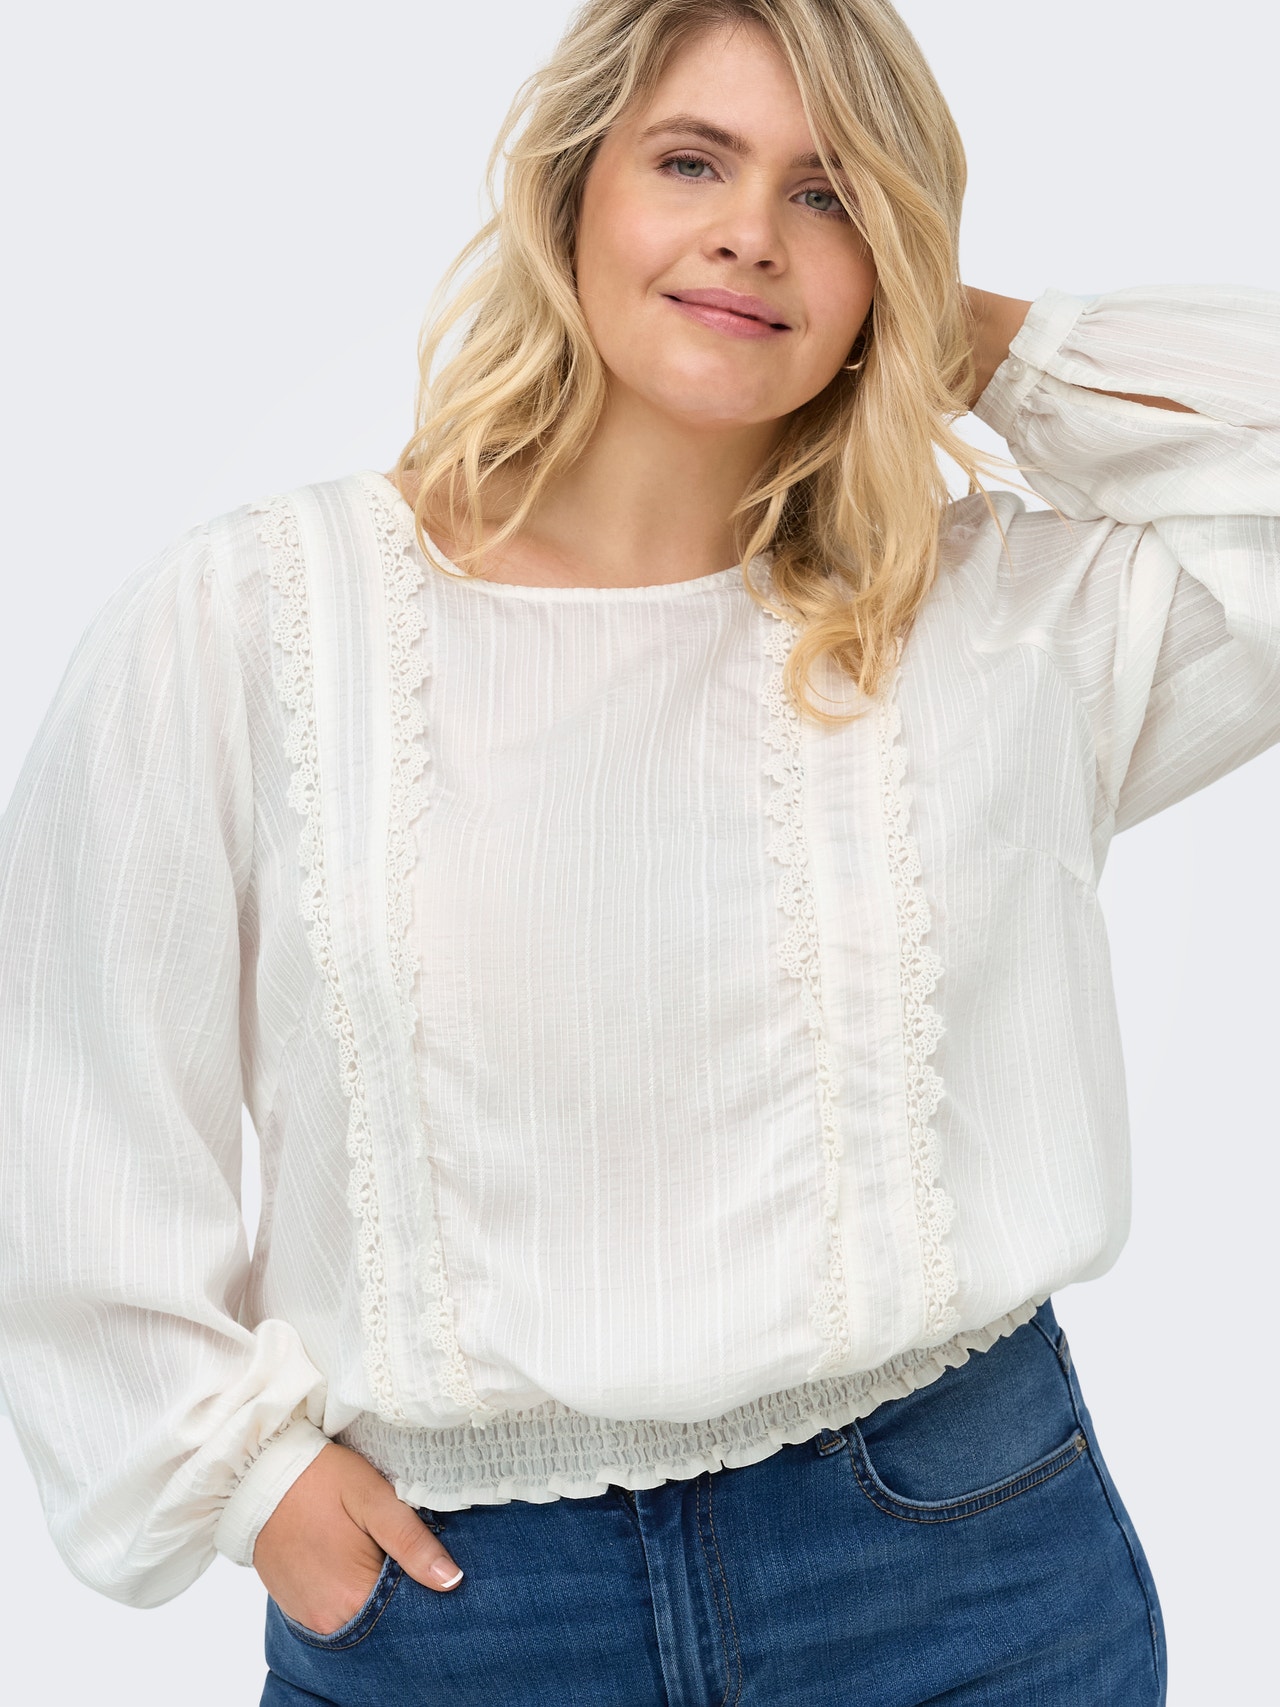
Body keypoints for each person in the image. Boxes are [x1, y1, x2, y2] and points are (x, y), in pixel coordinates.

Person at [0, 0, 1274, 1700]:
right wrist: (236, 1479)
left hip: (958, 1570)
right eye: (691, 163)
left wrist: (958, 335)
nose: (751, 232)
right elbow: (70, 1108)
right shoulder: (260, 623)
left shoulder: (1002, 624)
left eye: (829, 195)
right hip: (466, 1603)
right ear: (571, 191)